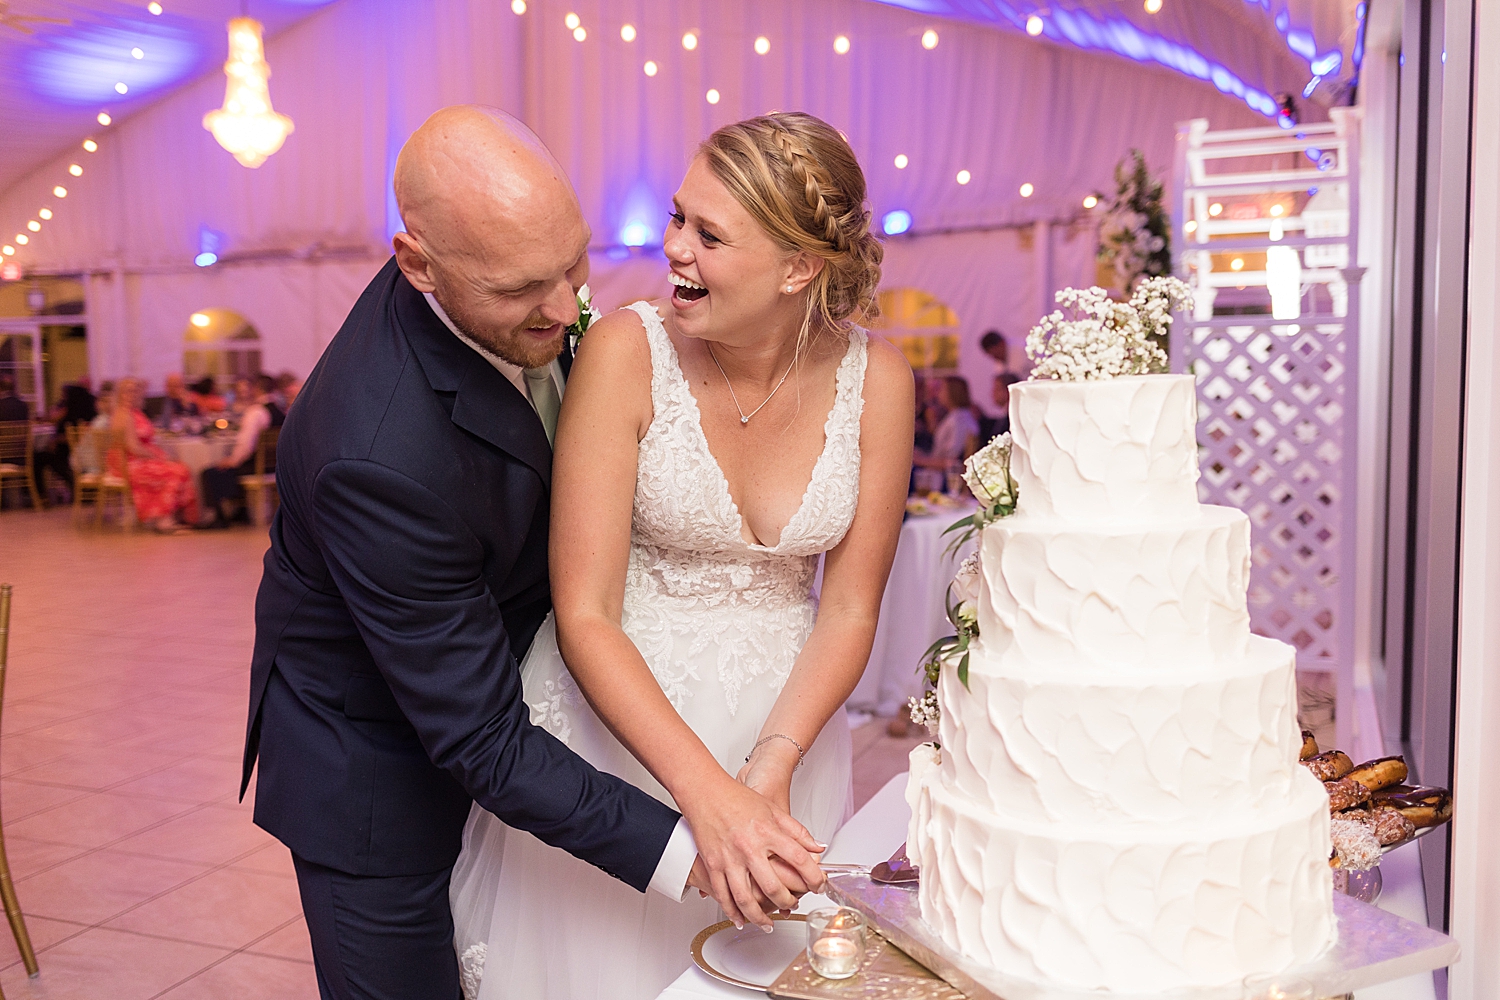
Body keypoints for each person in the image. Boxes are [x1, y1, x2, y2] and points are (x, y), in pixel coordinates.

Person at [242, 106, 827, 1000]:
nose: (564, 307)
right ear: (418, 264)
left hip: (521, 710)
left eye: (573, 264)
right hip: (376, 773)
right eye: (524, 289)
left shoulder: (525, 284)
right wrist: (698, 845)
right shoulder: (374, 450)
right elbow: (478, 735)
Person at [450, 111, 913, 1000]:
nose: (674, 250)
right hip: (620, 733)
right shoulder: (629, 349)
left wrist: (767, 772)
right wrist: (708, 796)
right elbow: (583, 608)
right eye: (676, 217)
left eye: (708, 233)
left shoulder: (878, 382)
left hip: (786, 734)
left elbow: (851, 607)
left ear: (799, 266)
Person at [107, 378, 199, 533]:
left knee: (181, 468)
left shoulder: (134, 412)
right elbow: (133, 447)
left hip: (138, 459)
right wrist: (158, 457)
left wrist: (159, 455)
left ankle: (171, 518)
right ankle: (164, 521)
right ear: (120, 394)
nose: (132, 394)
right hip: (129, 464)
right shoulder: (124, 414)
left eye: (135, 390)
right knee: (175, 472)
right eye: (127, 390)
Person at [199, 373, 284, 528]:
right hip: (274, 466)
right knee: (231, 469)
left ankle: (219, 517)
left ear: (257, 389)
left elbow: (246, 446)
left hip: (257, 468)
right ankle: (241, 511)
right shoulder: (281, 411)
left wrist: (232, 460)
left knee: (209, 473)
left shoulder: (256, 412)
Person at [913, 376, 981, 474]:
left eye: (941, 389)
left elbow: (951, 460)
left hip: (946, 479)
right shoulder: (957, 416)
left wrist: (920, 460)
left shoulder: (959, 420)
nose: (938, 394)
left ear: (952, 392)